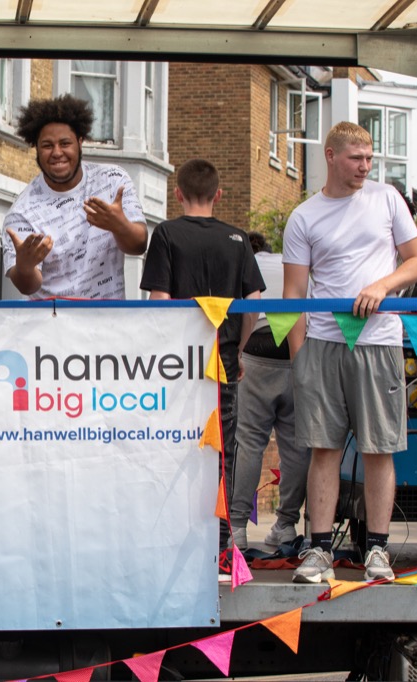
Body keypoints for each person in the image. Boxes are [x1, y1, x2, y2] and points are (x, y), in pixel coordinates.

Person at [283, 122, 417, 584]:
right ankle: (319, 550)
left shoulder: (388, 199)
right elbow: (293, 295)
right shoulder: (304, 215)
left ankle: (378, 551)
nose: (365, 166)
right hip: (323, 343)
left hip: (379, 341)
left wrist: (382, 285)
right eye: (356, 158)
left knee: (379, 449)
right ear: (330, 155)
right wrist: (300, 358)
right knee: (323, 449)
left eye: (369, 158)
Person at [140, 158, 264, 552]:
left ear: (177, 193)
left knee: (173, 446)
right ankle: (221, 541)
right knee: (221, 450)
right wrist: (239, 350)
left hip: (178, 367)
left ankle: (172, 535)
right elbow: (253, 304)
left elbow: (160, 301)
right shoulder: (238, 238)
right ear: (218, 195)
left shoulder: (166, 234)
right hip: (222, 366)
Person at [2, 94, 148, 299]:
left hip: (108, 317)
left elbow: (139, 245)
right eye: (47, 145)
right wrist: (24, 267)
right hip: (53, 318)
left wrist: (119, 225)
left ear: (80, 142)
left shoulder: (113, 180)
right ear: (36, 148)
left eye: (65, 143)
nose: (57, 152)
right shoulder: (21, 211)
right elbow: (28, 286)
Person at [229, 232, 309, 551]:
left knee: (248, 442)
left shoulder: (244, 262)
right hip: (297, 349)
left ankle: (237, 528)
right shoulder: (288, 262)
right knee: (296, 446)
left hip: (256, 349)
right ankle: (286, 525)